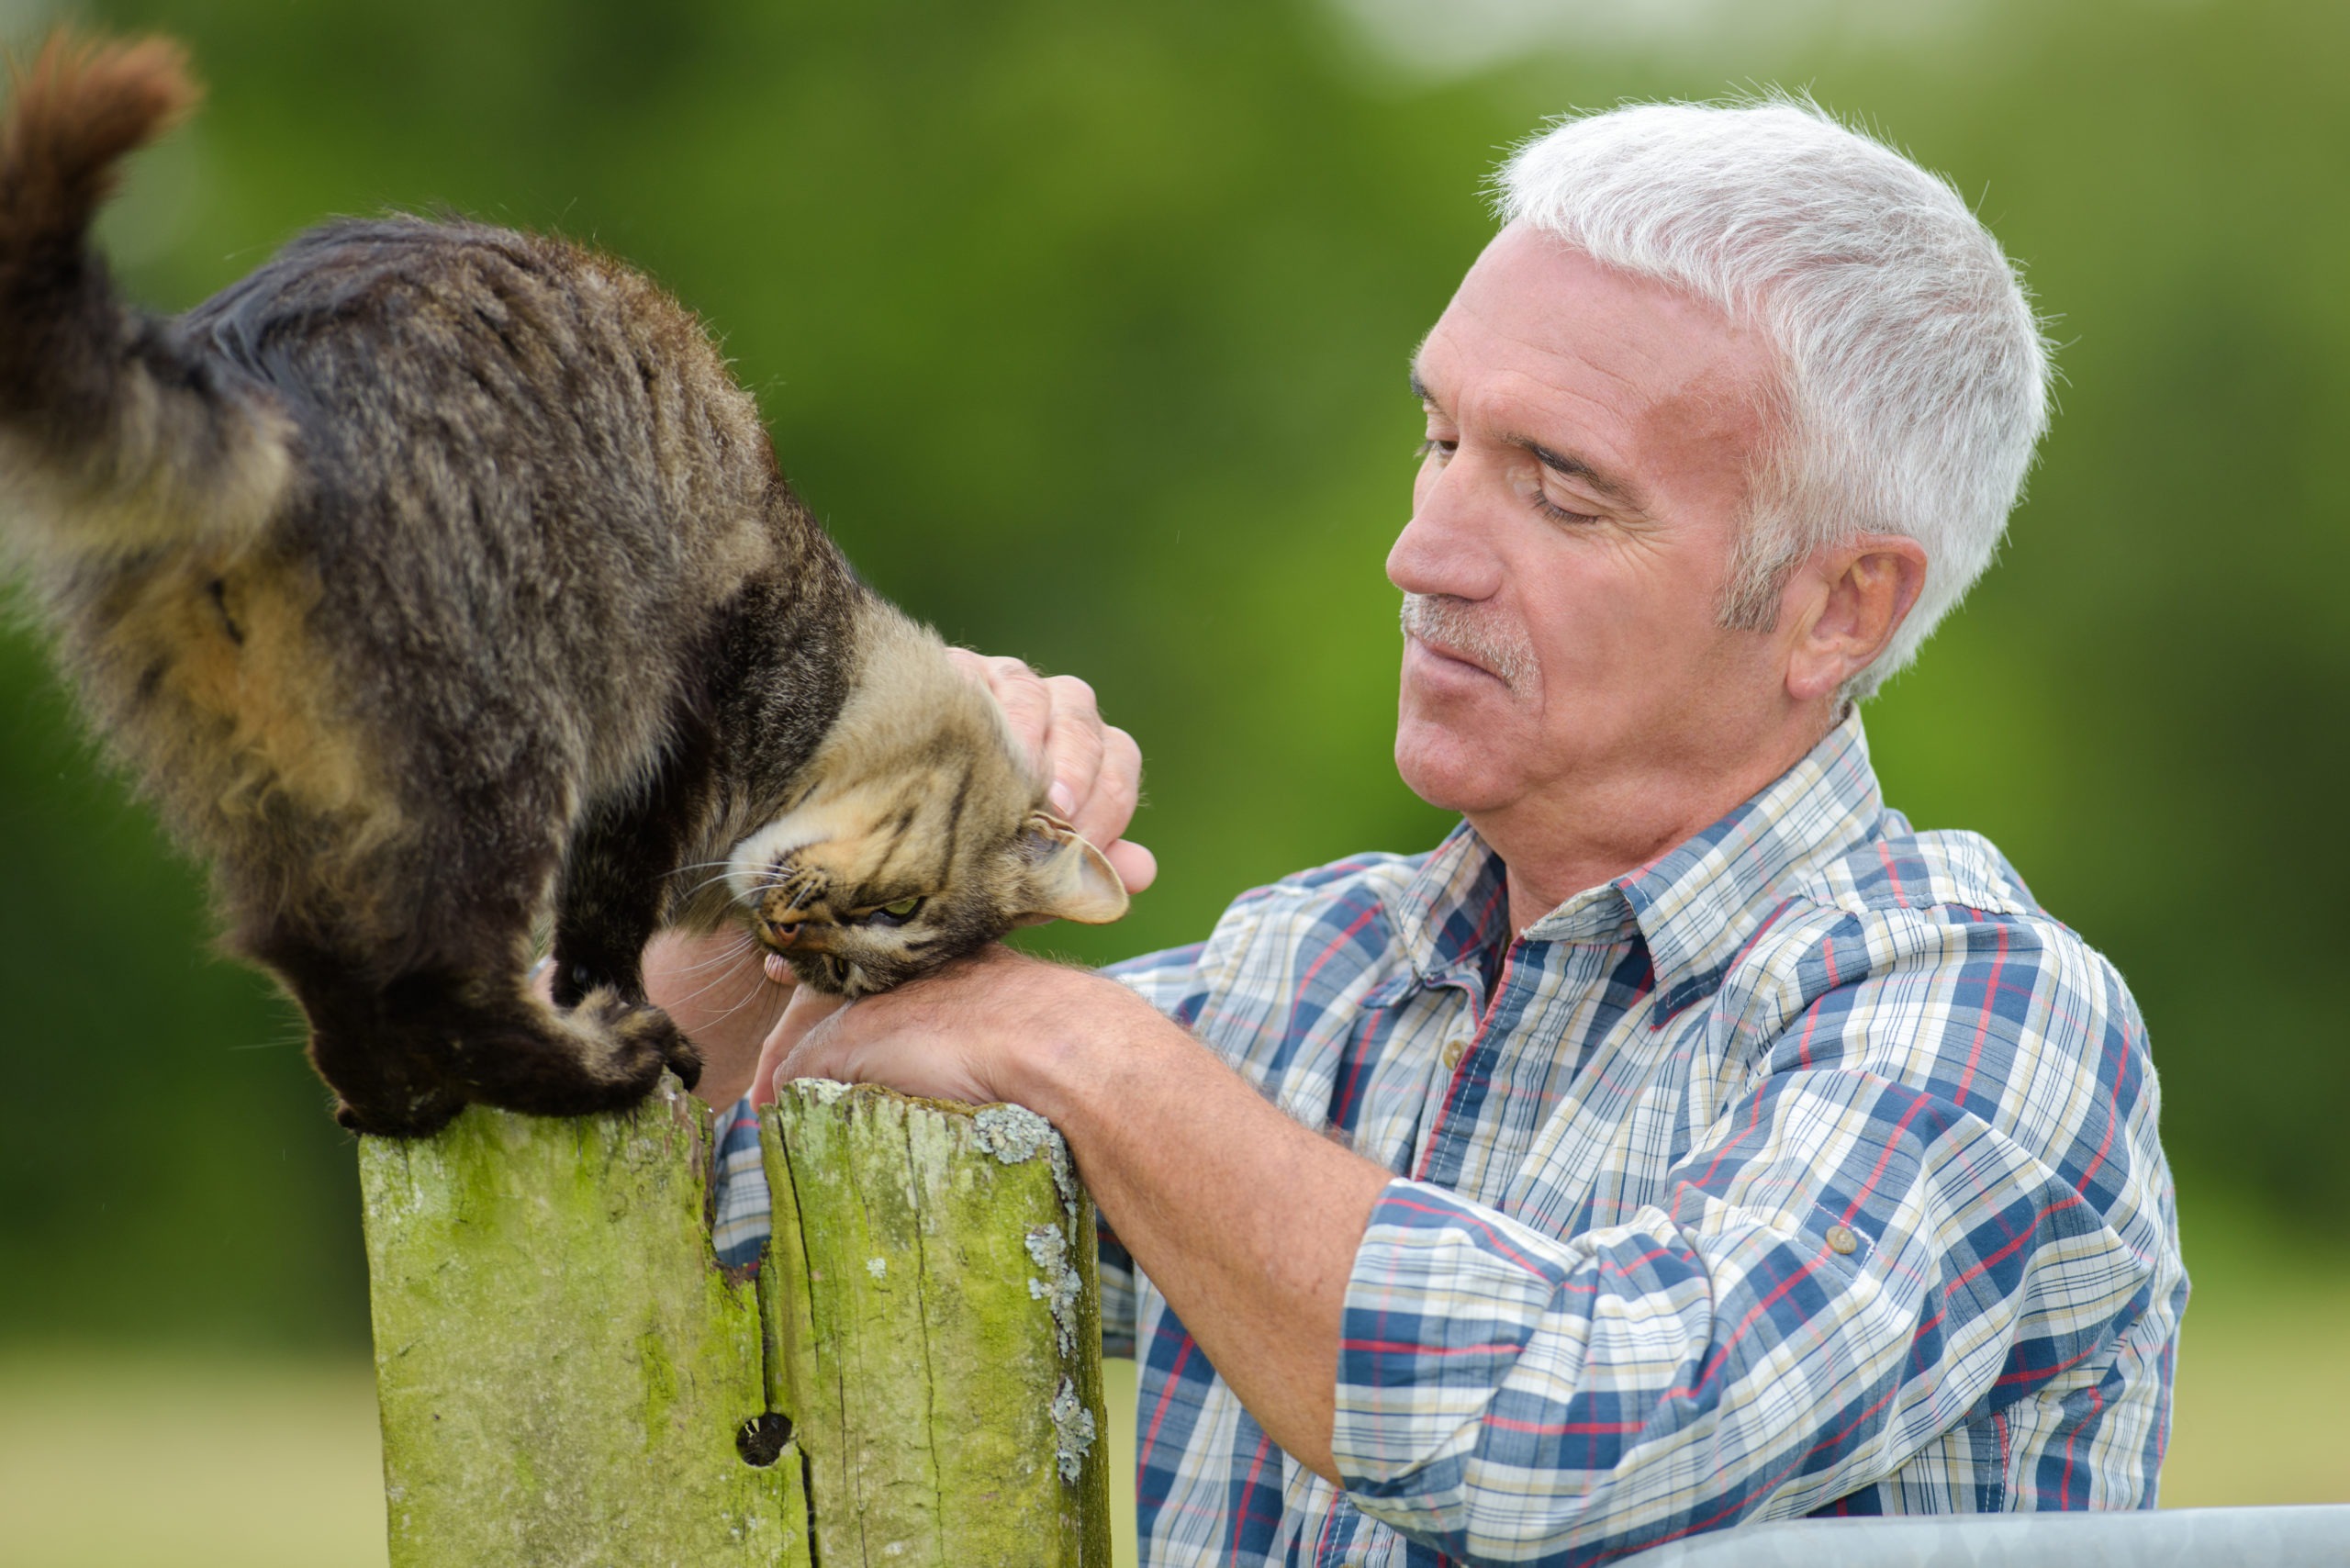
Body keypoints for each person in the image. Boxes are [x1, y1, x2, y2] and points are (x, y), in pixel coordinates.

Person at [655, 98, 2185, 1565]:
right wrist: (834, 816)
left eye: (1561, 490)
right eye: (1442, 439)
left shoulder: (1984, 1013)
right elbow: (693, 1136)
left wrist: (1067, 1044)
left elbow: (1571, 1438)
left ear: (1839, 606)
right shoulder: (1316, 967)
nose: (1421, 551)